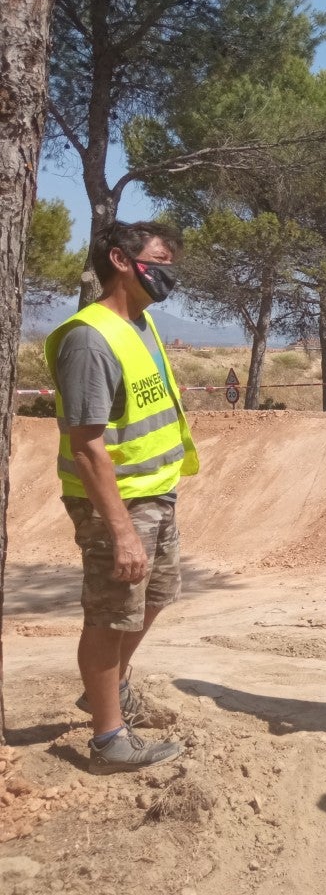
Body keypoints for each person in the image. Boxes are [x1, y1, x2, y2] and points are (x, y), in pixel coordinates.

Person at [44, 221, 199, 774]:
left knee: (153, 597)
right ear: (119, 259)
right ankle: (108, 738)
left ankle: (106, 690)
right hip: (118, 504)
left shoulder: (142, 324)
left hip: (156, 493)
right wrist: (121, 530)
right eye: (159, 261)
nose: (168, 273)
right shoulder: (91, 338)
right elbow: (86, 445)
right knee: (111, 616)